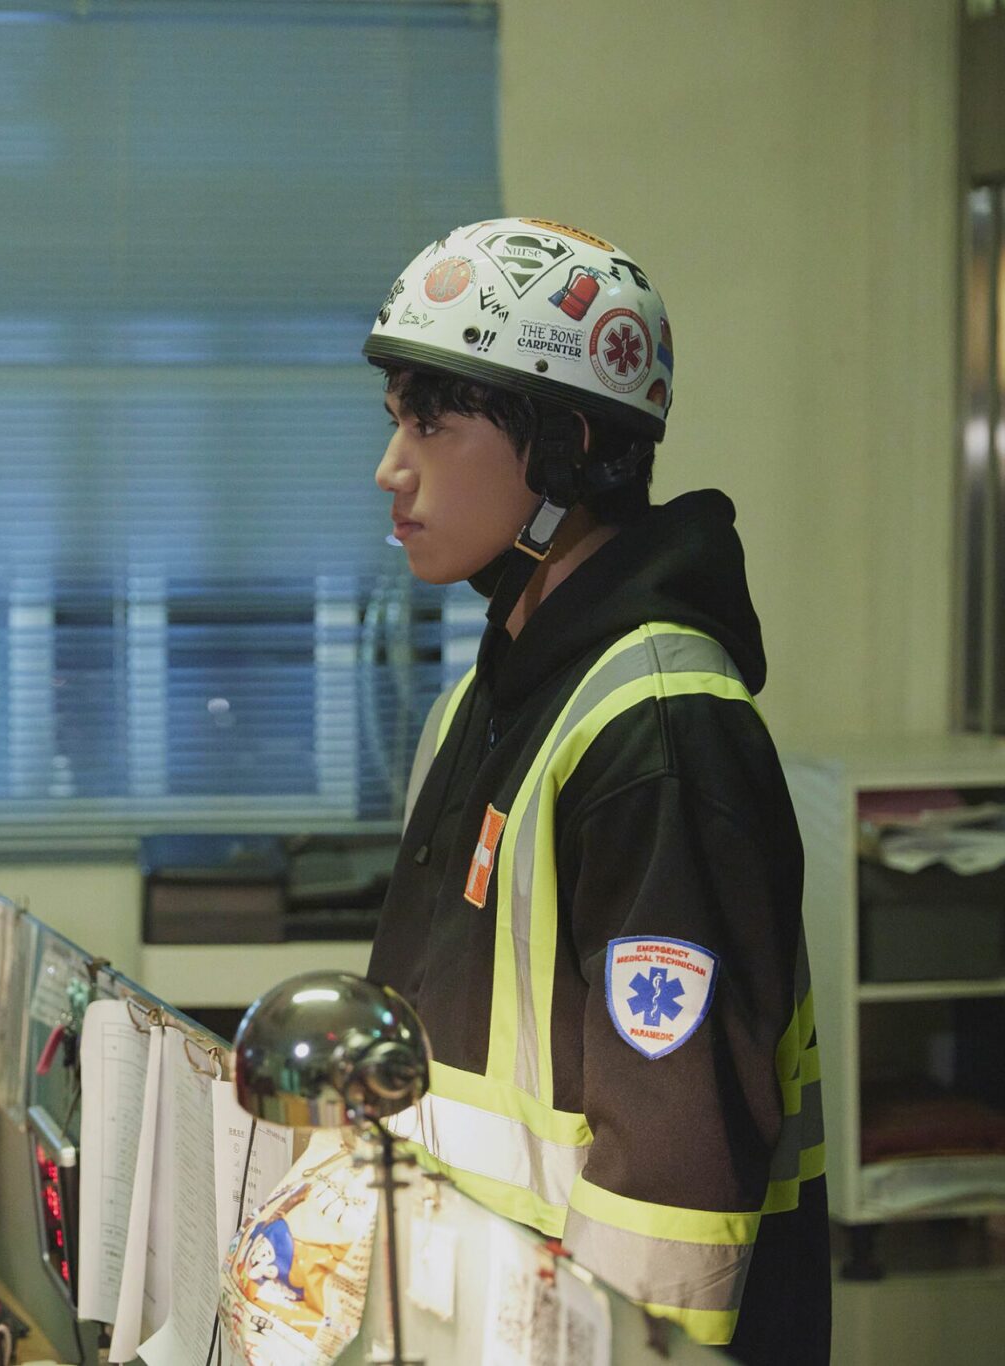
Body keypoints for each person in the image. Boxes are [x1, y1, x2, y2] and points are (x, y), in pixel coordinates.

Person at [360, 218, 828, 1363]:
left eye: (432, 423)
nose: (390, 468)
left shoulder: (655, 728)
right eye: (394, 420)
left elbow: (671, 1177)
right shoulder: (491, 698)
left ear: (566, 450)